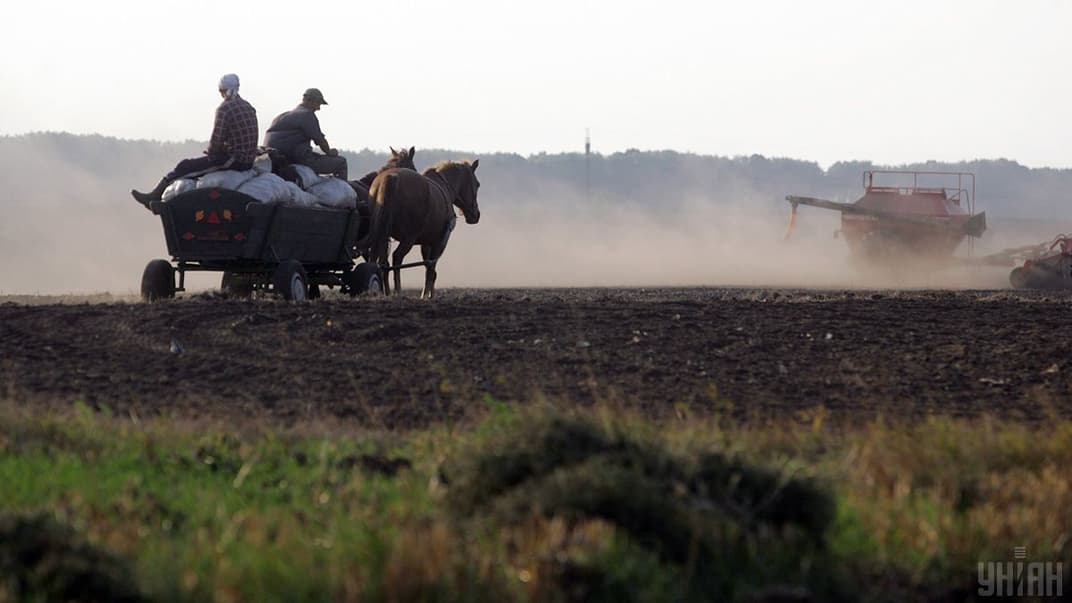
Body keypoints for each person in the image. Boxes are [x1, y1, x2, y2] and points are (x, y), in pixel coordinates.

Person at [131, 74, 259, 207]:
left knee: (185, 166)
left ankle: (155, 195)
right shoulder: (248, 107)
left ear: (221, 90)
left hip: (234, 161)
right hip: (248, 161)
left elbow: (216, 141)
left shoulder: (224, 109)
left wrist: (212, 153)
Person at [263, 88, 347, 179]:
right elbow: (320, 140)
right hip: (297, 158)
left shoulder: (281, 116)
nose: (318, 108)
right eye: (318, 104)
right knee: (341, 162)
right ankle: (343, 187)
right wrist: (329, 152)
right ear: (310, 101)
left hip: (274, 157)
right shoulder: (307, 115)